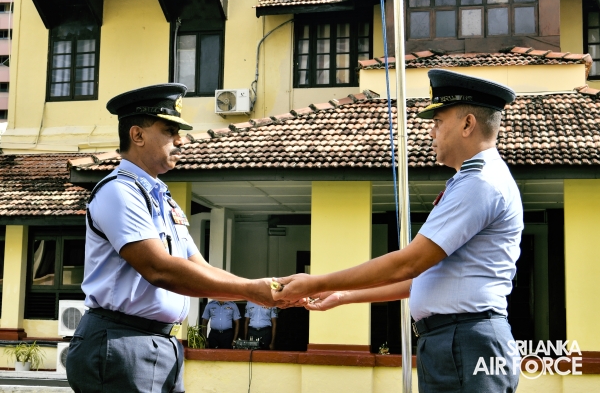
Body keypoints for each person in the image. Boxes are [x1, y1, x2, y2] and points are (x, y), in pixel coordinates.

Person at [274, 69, 523, 393]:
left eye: (438, 121)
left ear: (467, 124)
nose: (431, 131)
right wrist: (343, 296)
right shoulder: (474, 180)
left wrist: (317, 282)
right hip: (458, 338)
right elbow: (424, 278)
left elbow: (409, 263)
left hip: (464, 339)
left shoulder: (480, 183)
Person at [66, 83, 278, 393]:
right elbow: (160, 269)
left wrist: (260, 289)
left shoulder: (163, 199)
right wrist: (251, 290)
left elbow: (200, 268)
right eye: (169, 131)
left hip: (159, 342)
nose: (180, 140)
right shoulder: (119, 191)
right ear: (137, 135)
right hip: (122, 342)